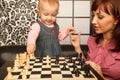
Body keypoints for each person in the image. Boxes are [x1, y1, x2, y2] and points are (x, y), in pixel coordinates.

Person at [70, 0, 120, 80]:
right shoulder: (92, 40)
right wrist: (77, 48)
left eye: (100, 17)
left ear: (116, 20)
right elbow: (89, 66)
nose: (93, 21)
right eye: (93, 16)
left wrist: (101, 77)